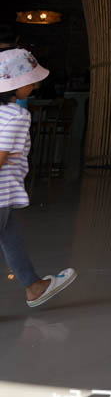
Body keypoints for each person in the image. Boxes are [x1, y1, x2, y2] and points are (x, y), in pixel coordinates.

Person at [0, 48, 76, 309]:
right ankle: (33, 287)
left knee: (11, 239)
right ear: (15, 86)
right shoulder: (17, 116)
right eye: (29, 81)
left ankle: (34, 287)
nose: (34, 84)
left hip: (3, 197)